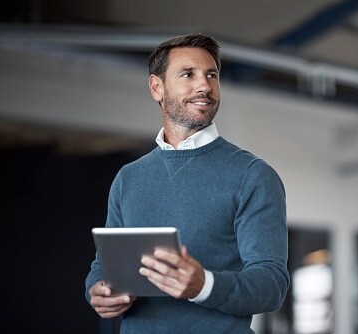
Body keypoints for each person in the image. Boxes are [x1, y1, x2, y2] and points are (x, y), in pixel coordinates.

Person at [84, 33, 289, 333]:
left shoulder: (253, 175)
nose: (204, 85)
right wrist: (98, 292)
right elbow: (104, 265)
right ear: (157, 87)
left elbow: (272, 284)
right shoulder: (129, 178)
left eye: (211, 75)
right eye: (187, 74)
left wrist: (203, 285)